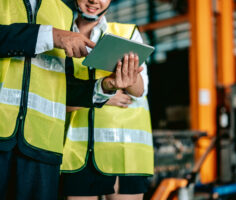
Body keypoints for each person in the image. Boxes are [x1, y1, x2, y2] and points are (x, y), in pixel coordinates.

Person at [0, 0, 141, 199]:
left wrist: (105, 87)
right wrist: (50, 35)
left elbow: (62, 86)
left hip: (42, 145)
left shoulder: (62, 10)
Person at [60, 0, 154, 199]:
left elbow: (139, 91)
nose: (95, 0)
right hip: (75, 153)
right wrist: (104, 95)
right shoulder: (59, 36)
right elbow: (53, 97)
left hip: (124, 150)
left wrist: (128, 77)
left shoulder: (126, 34)